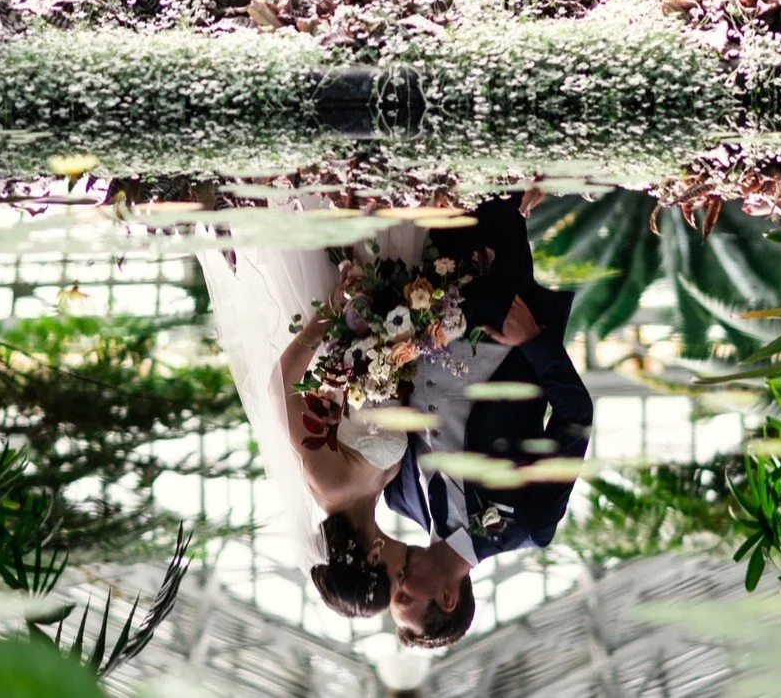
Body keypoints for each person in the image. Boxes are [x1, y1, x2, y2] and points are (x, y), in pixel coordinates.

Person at [382, 195, 594, 648]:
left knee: (435, 183)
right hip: (498, 314)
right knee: (495, 186)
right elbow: (576, 417)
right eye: (405, 596)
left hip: (420, 308)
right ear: (447, 597)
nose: (395, 584)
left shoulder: (398, 500)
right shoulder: (529, 525)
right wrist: (534, 340)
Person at [197, 215, 425, 616]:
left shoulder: (330, 484)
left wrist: (331, 311)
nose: (405, 583)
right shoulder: (383, 494)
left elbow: (282, 387)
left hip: (338, 318)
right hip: (387, 322)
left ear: (373, 561)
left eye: (394, 586)